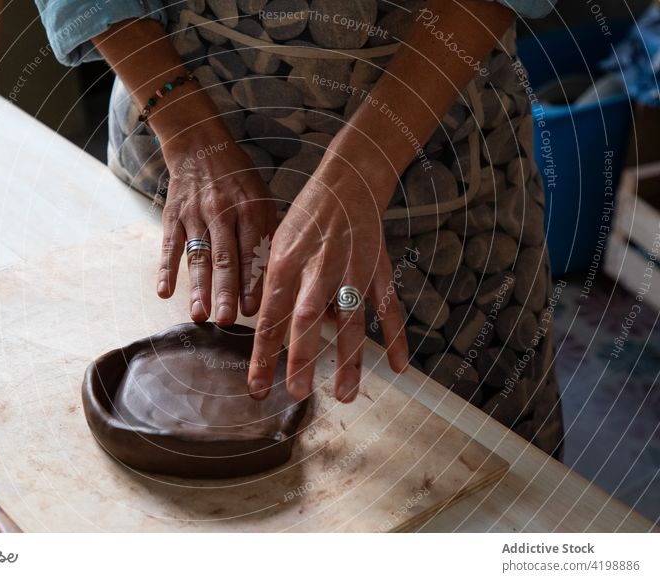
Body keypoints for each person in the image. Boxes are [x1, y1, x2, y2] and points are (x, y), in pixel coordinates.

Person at [36, 0, 563, 458]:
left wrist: (369, 160)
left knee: (463, 485)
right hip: (177, 160)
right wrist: (188, 130)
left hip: (437, 168)